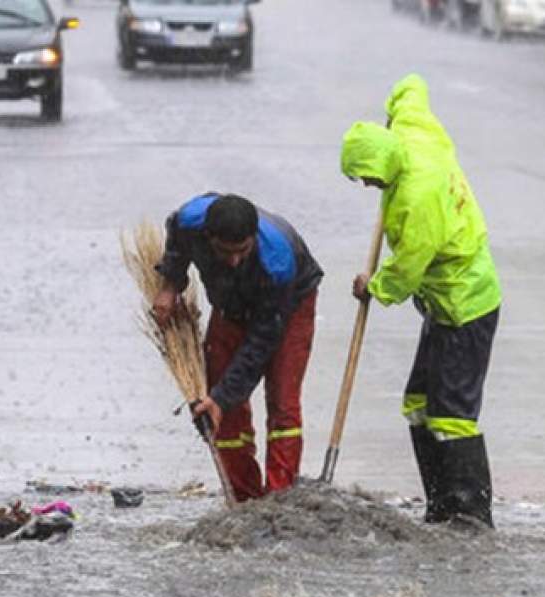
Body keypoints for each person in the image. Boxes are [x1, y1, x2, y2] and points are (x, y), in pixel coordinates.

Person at [340, 74, 502, 528]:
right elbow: (412, 87)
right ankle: (440, 504)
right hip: (441, 305)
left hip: (465, 303)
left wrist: (373, 287)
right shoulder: (413, 131)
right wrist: (394, 111)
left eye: (369, 178)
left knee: (451, 413)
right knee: (418, 402)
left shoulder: (417, 198)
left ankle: (470, 514)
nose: (368, 187)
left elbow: (409, 268)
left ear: (385, 165)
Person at [152, 193, 323, 502]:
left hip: (288, 304)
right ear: (208, 236)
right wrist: (169, 285)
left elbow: (261, 344)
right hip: (230, 304)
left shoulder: (277, 264)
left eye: (242, 251)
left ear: (253, 238)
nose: (233, 260)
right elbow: (176, 245)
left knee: (282, 400)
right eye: (224, 251)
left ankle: (277, 501)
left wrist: (222, 397)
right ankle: (243, 499)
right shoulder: (188, 221)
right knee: (219, 410)